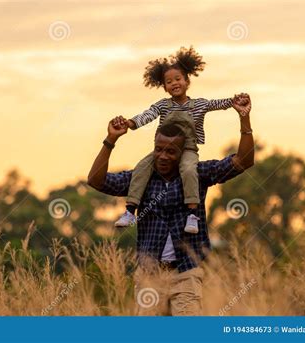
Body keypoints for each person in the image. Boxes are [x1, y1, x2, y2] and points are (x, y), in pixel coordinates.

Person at [87, 94, 254, 315]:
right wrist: (111, 140)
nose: (163, 156)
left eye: (170, 151)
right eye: (159, 149)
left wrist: (244, 119)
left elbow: (244, 161)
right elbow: (96, 180)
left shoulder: (196, 174)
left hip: (185, 274)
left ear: (183, 152)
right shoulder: (141, 178)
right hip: (149, 276)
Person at [114, 46, 245, 235]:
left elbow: (218, 104)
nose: (174, 83)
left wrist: (234, 101)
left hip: (188, 149)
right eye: (169, 81)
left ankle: (192, 214)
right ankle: (130, 211)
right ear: (164, 87)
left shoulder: (199, 104)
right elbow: (147, 115)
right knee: (142, 167)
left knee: (189, 169)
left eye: (178, 79)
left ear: (187, 81)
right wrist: (130, 123)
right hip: (163, 150)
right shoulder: (162, 105)